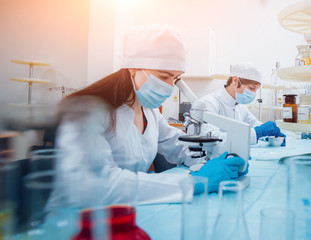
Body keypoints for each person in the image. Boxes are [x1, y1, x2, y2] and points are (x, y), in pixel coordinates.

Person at [51, 24, 246, 206]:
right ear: (133, 67)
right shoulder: (85, 109)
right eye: (163, 76)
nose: (170, 87)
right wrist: (192, 182)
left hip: (130, 211)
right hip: (79, 220)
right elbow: (96, 185)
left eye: (175, 78)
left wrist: (220, 157)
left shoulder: (149, 112)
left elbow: (178, 146)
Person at [195, 63, 285, 145]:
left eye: (256, 89)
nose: (254, 93)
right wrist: (257, 133)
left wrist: (271, 135)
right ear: (235, 80)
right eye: (252, 87)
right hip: (209, 160)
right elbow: (212, 139)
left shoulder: (240, 106)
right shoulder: (208, 103)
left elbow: (254, 124)